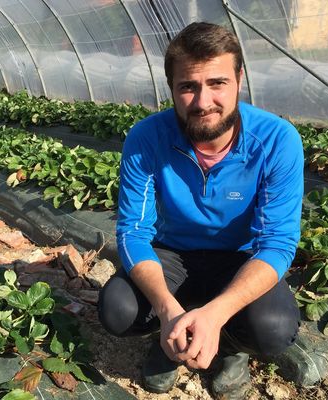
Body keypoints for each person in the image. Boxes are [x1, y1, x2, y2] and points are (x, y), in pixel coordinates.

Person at [98, 22, 303, 398]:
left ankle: (227, 346)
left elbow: (277, 242)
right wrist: (166, 311)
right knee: (118, 309)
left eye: (217, 83)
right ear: (172, 89)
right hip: (172, 253)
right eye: (188, 86)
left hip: (239, 258)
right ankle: (173, 336)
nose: (203, 101)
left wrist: (218, 313)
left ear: (239, 79)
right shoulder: (147, 138)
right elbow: (133, 232)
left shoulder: (276, 140)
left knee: (273, 328)